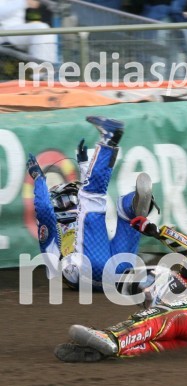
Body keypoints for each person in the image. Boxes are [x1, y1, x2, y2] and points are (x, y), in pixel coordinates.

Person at [54, 217, 187, 362]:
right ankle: (105, 350)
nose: (144, 292)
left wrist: (158, 231)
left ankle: (112, 337)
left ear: (158, 273)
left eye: (141, 285)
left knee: (153, 319)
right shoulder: (163, 306)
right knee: (149, 346)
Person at [29, 116, 156, 291]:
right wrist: (39, 180)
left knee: (121, 209)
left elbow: (55, 212)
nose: (73, 202)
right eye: (68, 199)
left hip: (102, 268)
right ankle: (108, 140)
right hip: (97, 267)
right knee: (91, 197)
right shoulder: (53, 236)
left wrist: (82, 165)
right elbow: (45, 209)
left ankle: (135, 207)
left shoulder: (53, 241)